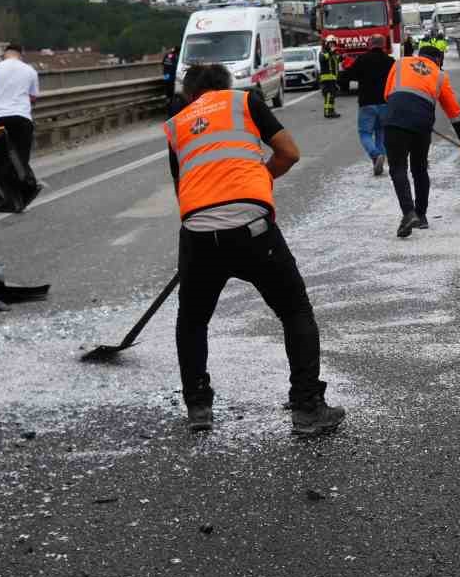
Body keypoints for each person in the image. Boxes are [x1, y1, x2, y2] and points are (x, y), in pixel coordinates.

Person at [166, 63, 345, 437]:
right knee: (294, 310)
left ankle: (198, 407)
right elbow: (289, 153)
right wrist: (259, 178)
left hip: (198, 232)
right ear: (225, 85)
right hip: (252, 228)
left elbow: (183, 188)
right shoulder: (244, 102)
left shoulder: (177, 124)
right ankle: (307, 406)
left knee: (193, 320)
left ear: (189, 94)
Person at [382, 41, 460, 238]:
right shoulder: (440, 75)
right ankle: (421, 215)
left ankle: (408, 213)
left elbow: (387, 94)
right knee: (419, 169)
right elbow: (454, 112)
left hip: (395, 119)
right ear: (438, 60)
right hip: (421, 124)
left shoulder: (400, 63)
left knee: (398, 168)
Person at [0, 44, 41, 169]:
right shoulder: (30, 70)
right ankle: (23, 178)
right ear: (20, 55)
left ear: (5, 54)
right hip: (22, 118)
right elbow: (33, 97)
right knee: (22, 160)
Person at [347, 43, 394, 177]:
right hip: (385, 102)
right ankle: (379, 160)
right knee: (381, 132)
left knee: (365, 133)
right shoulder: (390, 61)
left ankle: (375, 155)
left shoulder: (362, 59)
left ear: (370, 45)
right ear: (383, 45)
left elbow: (350, 75)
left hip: (366, 103)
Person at [317, 41, 342, 119]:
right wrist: (331, 52)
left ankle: (332, 111)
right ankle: (327, 112)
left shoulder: (333, 54)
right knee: (328, 95)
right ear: (327, 44)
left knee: (332, 95)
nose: (332, 45)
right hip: (326, 78)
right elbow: (323, 58)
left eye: (333, 44)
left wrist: (342, 57)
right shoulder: (323, 52)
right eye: (331, 44)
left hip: (333, 78)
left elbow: (337, 61)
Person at [161, 44, 179, 116]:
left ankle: (168, 112)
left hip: (166, 77)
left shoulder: (167, 55)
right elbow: (176, 67)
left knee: (168, 95)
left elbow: (163, 64)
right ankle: (172, 113)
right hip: (172, 78)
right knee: (172, 96)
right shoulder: (175, 57)